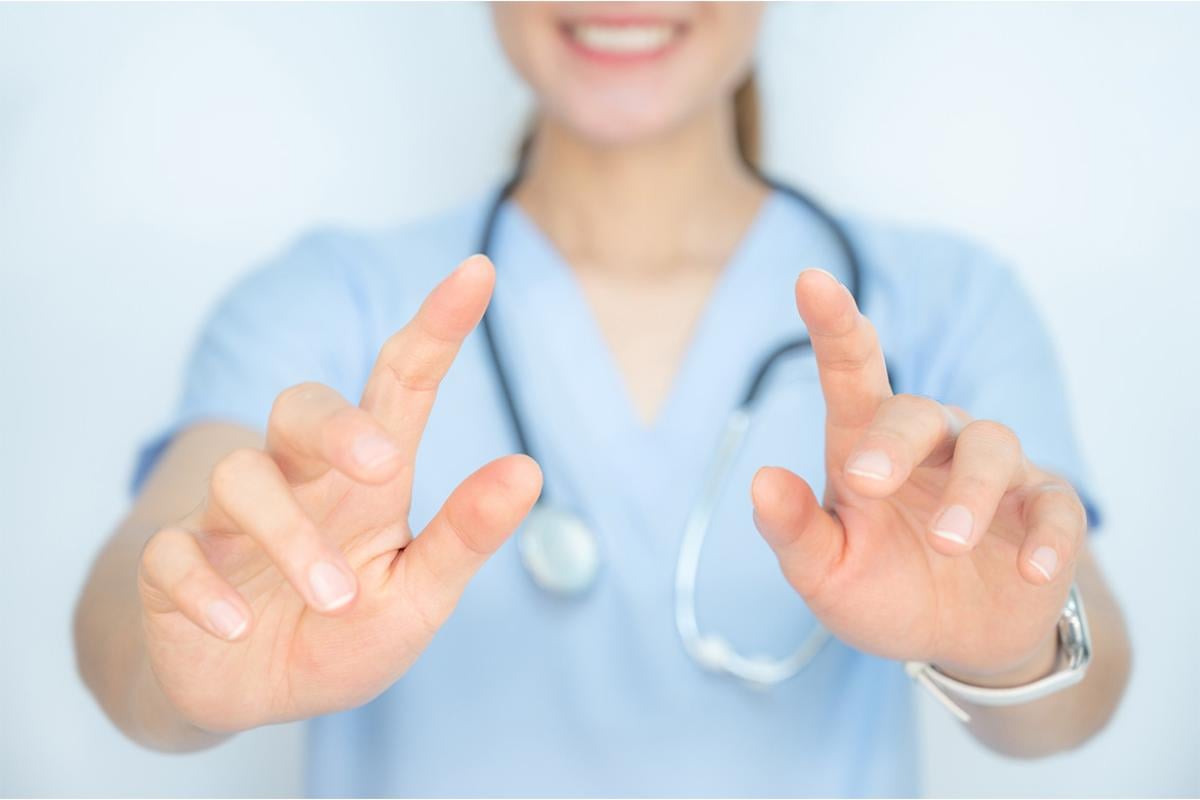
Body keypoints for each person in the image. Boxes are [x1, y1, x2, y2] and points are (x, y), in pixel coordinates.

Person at [74, 3, 1130, 796]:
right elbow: (136, 598)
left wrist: (1010, 637)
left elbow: (1084, 686)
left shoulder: (945, 304)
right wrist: (181, 650)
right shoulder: (327, 301)